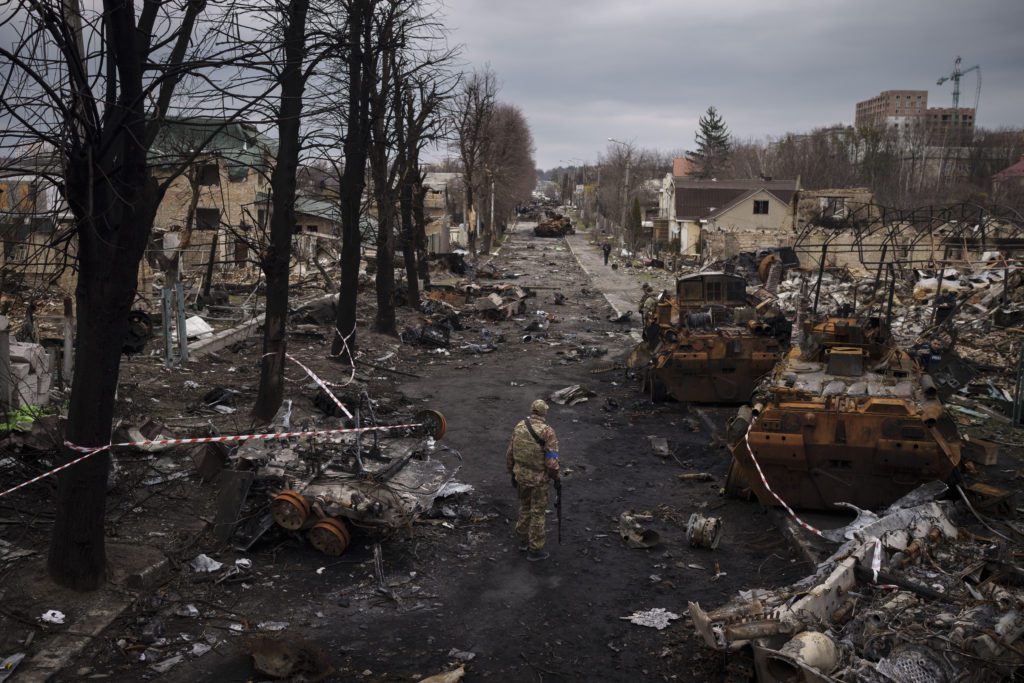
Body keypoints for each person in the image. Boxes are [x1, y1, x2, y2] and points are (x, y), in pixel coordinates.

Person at [506, 399, 560, 561]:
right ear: (544, 413)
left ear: (532, 411)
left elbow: (510, 452)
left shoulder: (520, 426)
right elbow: (551, 460)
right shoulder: (548, 432)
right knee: (537, 512)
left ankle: (522, 541)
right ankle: (535, 550)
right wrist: (555, 476)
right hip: (539, 481)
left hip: (521, 476)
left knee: (524, 507)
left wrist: (511, 472)